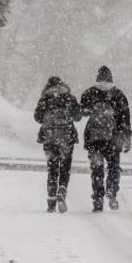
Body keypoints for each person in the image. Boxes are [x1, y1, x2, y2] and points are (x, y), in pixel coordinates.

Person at [81, 66, 132, 212]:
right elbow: (125, 119)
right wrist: (127, 137)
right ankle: (111, 190)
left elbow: (82, 113)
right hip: (113, 139)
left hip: (94, 139)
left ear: (97, 78)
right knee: (113, 166)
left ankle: (98, 198)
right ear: (111, 78)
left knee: (97, 169)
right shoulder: (118, 94)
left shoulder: (89, 93)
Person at [34, 76, 82, 213]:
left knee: (52, 169)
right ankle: (62, 189)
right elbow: (78, 117)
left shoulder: (45, 99)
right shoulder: (69, 98)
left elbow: (37, 118)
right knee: (65, 167)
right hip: (67, 138)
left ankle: (51, 200)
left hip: (49, 139)